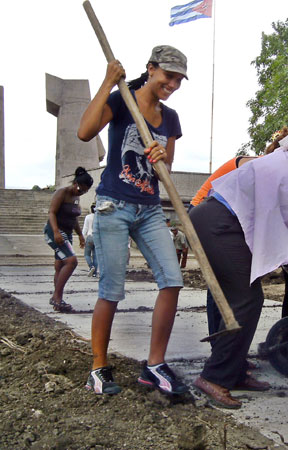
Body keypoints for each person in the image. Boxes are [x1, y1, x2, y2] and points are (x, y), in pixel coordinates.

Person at [190, 124, 288, 408]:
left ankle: (232, 372)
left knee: (247, 299)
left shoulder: (285, 164)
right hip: (218, 223)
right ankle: (214, 377)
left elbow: (287, 219)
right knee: (245, 299)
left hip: (221, 222)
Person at [77, 45, 189, 396]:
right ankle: (98, 367)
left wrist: (159, 157)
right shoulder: (121, 100)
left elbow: (165, 167)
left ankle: (155, 366)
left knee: (172, 281)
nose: (173, 83)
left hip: (150, 209)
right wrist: (108, 82)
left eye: (179, 79)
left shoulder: (170, 118)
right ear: (151, 69)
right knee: (111, 289)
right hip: (113, 205)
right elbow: (84, 131)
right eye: (168, 76)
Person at [44, 167, 93, 312]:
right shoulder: (62, 193)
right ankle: (56, 297)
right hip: (55, 232)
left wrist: (80, 235)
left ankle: (57, 301)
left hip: (67, 232)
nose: (81, 192)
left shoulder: (76, 197)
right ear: (75, 183)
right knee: (71, 261)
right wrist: (56, 232)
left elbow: (74, 219)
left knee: (60, 265)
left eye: (84, 191)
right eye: (80, 189)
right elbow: (51, 213)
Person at [83, 203, 98, 277]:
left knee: (87, 254)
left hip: (90, 236)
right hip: (97, 237)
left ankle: (91, 266)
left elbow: (85, 228)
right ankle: (95, 273)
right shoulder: (99, 217)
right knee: (95, 256)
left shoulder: (88, 217)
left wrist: (82, 237)